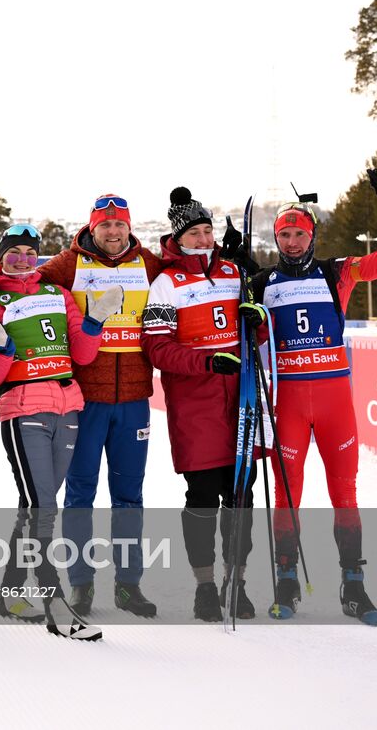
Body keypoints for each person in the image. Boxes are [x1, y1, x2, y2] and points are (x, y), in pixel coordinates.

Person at [251, 169, 377, 625]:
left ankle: (354, 589)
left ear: (312, 234)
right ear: (277, 239)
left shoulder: (337, 271)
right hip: (291, 406)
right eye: (286, 235)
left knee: (345, 493)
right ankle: (286, 584)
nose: (293, 242)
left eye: (300, 233)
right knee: (287, 496)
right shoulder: (261, 283)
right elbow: (249, 333)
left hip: (336, 403)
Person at [0, 223, 119, 640]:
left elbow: (84, 354)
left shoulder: (57, 295)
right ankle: (56, 605)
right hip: (23, 411)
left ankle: (9, 595)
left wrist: (93, 322)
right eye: (13, 251)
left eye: (29, 251)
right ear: (1, 256)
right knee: (43, 509)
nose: (22, 259)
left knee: (34, 507)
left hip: (67, 408)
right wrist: (2, 349)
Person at [37, 195, 163, 618]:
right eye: (105, 226)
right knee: (80, 494)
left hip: (134, 402)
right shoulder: (69, 263)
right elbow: (23, 280)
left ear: (129, 228)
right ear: (92, 228)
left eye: (119, 225)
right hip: (84, 401)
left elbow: (187, 271)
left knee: (129, 495)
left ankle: (128, 585)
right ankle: (82, 585)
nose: (112, 232)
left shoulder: (148, 263)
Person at [141, 187, 263, 622]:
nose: (205, 238)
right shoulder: (166, 283)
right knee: (202, 497)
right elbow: (157, 349)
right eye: (195, 232)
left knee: (242, 497)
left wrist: (256, 320)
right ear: (179, 237)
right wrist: (207, 361)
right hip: (195, 404)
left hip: (241, 403)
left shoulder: (233, 272)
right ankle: (206, 586)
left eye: (209, 230)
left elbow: (256, 335)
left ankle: (238, 583)